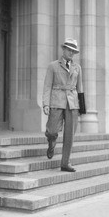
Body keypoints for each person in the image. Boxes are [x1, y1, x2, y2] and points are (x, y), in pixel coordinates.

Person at [42, 38, 83, 172]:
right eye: (69, 50)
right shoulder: (53, 66)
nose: (71, 53)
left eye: (74, 51)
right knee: (52, 130)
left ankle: (65, 163)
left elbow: (80, 87)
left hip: (72, 103)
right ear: (63, 49)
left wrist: (82, 106)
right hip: (56, 100)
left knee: (70, 134)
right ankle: (51, 141)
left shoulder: (77, 67)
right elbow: (47, 86)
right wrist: (45, 104)